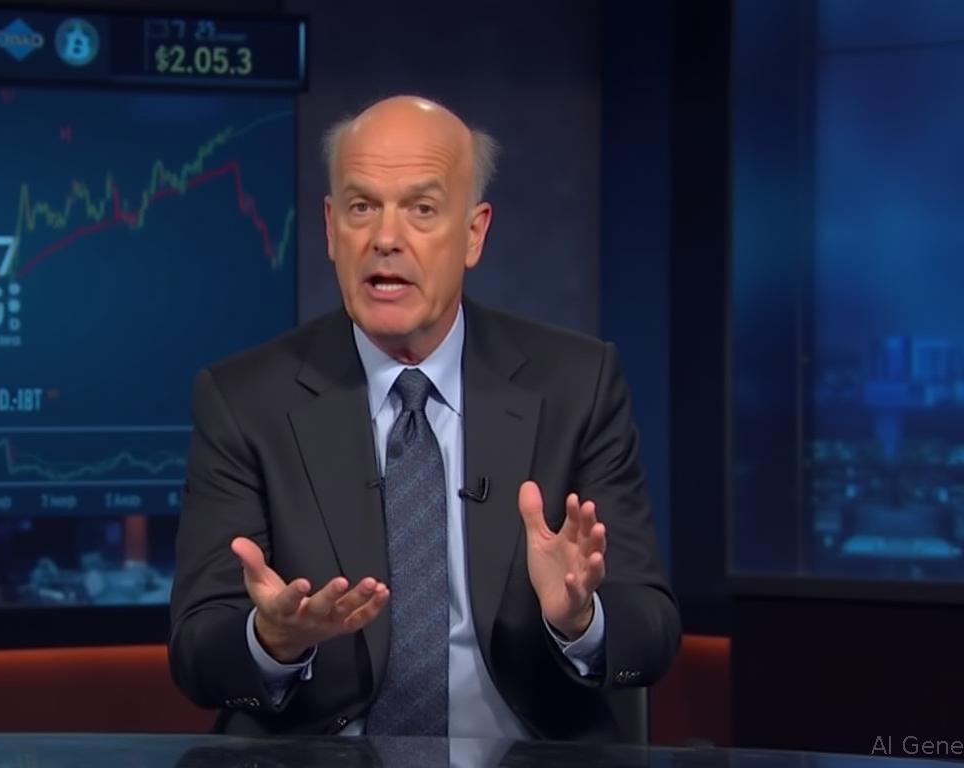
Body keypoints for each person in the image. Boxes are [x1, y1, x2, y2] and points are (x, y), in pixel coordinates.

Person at [169, 95, 680, 741]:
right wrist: (272, 639)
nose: (386, 238)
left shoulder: (577, 385)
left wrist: (579, 619)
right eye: (362, 207)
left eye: (422, 209)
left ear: (474, 233)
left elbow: (650, 632)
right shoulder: (245, 400)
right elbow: (198, 653)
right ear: (329, 228)